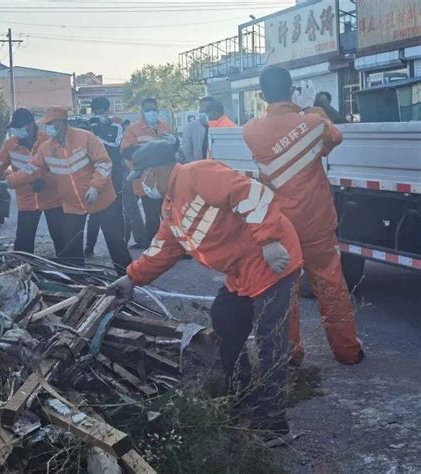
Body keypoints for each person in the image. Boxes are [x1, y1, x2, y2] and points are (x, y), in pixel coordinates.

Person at [108, 139, 302, 436]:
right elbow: (163, 249)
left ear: (156, 171)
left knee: (269, 343)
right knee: (225, 318)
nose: (140, 185)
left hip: (269, 261)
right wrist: (131, 278)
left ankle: (272, 424)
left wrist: (270, 241)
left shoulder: (196, 174)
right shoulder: (170, 206)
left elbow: (251, 192)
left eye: (141, 176)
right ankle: (244, 395)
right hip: (241, 272)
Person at [243, 66, 364, 366]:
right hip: (316, 223)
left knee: (285, 293)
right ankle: (348, 352)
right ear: (293, 90)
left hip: (280, 225)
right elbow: (333, 138)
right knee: (331, 286)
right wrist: (310, 107)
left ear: (261, 95)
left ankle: (290, 356)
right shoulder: (311, 122)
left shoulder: (251, 130)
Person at [7, 106, 131, 272]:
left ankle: (129, 277)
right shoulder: (47, 148)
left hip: (101, 199)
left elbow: (103, 163)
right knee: (70, 247)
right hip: (72, 204)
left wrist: (96, 187)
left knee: (115, 240)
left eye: (50, 124)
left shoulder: (85, 138)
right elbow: (32, 168)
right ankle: (76, 281)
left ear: (60, 123)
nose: (47, 128)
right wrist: (11, 180)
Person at [0, 108, 64, 255]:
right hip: (27, 198)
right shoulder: (10, 145)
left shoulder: (48, 141)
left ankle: (68, 269)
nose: (17, 132)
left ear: (31, 125)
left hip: (51, 197)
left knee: (62, 239)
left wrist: (45, 180)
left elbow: (58, 166)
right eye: (15, 128)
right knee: (23, 243)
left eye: (19, 128)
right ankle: (22, 270)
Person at [84, 97, 130, 258]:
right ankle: (89, 247)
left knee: (117, 210)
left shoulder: (116, 125)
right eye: (95, 112)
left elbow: (116, 146)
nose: (98, 115)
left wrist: (98, 135)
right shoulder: (89, 126)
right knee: (94, 212)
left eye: (100, 112)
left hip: (114, 174)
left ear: (107, 111)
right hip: (95, 173)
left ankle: (121, 243)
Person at [121, 98, 171, 245]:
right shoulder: (133, 130)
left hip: (166, 177)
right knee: (152, 215)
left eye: (154, 109)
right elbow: (125, 151)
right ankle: (153, 246)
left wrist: (174, 142)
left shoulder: (165, 127)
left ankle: (174, 247)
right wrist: (148, 153)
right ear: (142, 111)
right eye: (148, 109)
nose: (151, 112)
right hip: (146, 178)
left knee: (170, 214)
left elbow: (172, 150)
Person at [181, 96, 214, 162]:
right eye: (201, 106)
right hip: (197, 165)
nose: (203, 109)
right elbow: (186, 150)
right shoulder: (190, 127)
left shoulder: (219, 126)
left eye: (206, 106)